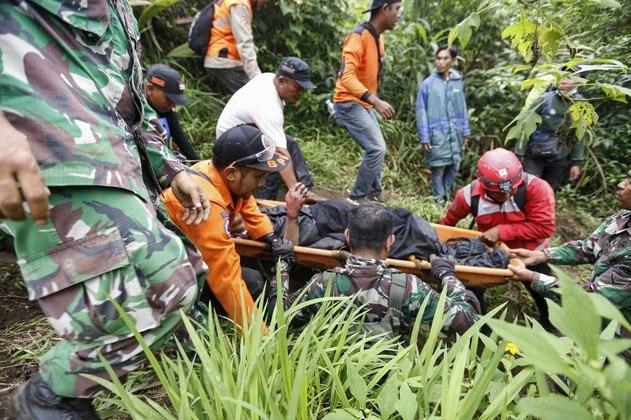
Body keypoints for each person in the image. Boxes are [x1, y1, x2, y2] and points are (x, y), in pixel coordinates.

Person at [0, 1, 211, 418]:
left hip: (111, 162)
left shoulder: (121, 11)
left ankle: (60, 397)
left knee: (180, 278)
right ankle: (50, 398)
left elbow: (128, 104)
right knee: (161, 284)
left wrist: (171, 170)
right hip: (47, 151)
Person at [163, 125, 308, 328]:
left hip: (192, 256)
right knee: (248, 283)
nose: (263, 183)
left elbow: (246, 203)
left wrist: (269, 236)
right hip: (171, 273)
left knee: (252, 279)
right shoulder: (206, 205)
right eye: (258, 176)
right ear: (232, 172)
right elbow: (225, 277)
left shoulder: (216, 172)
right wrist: (259, 336)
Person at [271, 203, 481, 336]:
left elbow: (279, 318)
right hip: (386, 378)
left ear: (347, 236)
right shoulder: (410, 288)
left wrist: (283, 265)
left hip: (332, 371)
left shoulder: (322, 283)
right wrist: (447, 275)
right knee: (469, 298)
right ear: (390, 241)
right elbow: (466, 320)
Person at [440, 148, 556, 329]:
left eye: (512, 189)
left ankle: (549, 324)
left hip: (531, 254)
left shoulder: (537, 188)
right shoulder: (468, 196)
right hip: (490, 255)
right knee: (472, 288)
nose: (508, 195)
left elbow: (544, 227)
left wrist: (501, 231)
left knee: (544, 292)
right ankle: (480, 329)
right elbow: (447, 224)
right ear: (485, 187)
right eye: (501, 193)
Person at [510, 170, 631, 330]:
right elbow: (588, 248)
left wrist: (532, 277)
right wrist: (541, 255)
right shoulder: (623, 217)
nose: (621, 184)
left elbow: (588, 300)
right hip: (595, 323)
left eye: (630, 182)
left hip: (618, 335)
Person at [216, 57, 318, 201]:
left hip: (241, 134)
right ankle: (266, 203)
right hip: (232, 146)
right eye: (298, 87)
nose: (301, 92)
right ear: (281, 81)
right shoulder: (269, 106)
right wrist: (293, 190)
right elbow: (281, 154)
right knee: (277, 161)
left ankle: (304, 189)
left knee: (289, 143)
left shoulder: (269, 78)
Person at [332, 0, 402, 204]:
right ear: (385, 9)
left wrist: (372, 101)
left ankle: (374, 192)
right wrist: (375, 101)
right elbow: (346, 77)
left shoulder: (379, 39)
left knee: (377, 148)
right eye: (398, 9)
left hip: (364, 104)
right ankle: (357, 197)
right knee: (377, 148)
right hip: (348, 102)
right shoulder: (358, 36)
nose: (400, 14)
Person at [513, 72, 586, 191]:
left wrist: (576, 162)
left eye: (569, 77)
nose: (563, 80)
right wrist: (519, 154)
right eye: (562, 76)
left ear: (579, 82)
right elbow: (525, 126)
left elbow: (579, 134)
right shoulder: (544, 99)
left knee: (549, 191)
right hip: (535, 154)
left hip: (559, 157)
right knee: (528, 189)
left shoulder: (581, 104)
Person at [416, 46, 470, 204]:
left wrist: (465, 131)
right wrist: (424, 137)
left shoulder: (457, 81)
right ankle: (439, 202)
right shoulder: (428, 84)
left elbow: (462, 107)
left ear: (453, 61)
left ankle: (445, 199)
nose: (440, 62)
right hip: (437, 135)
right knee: (438, 169)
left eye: (445, 58)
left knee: (454, 166)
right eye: (438, 58)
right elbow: (421, 111)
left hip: (456, 134)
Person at [205, 0, 268, 93]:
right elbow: (245, 43)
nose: (266, 3)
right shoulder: (239, 5)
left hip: (219, 57)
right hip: (223, 59)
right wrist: (257, 78)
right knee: (255, 94)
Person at [144, 64, 201, 161]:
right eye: (169, 99)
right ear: (150, 89)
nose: (173, 106)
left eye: (175, 101)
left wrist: (197, 164)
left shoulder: (165, 108)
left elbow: (180, 138)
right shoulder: (132, 105)